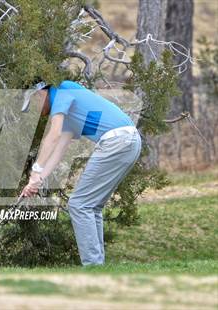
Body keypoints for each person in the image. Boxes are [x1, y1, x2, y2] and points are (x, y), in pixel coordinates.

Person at [20, 80, 142, 266]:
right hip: (130, 141)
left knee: (79, 204)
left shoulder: (62, 91)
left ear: (40, 94)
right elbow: (59, 150)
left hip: (117, 141)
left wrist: (35, 170)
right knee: (91, 206)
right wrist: (37, 180)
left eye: (34, 103)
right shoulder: (70, 108)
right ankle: (97, 267)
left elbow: (52, 136)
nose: (36, 110)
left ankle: (93, 266)